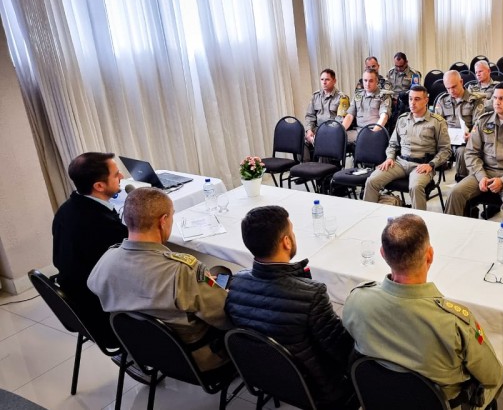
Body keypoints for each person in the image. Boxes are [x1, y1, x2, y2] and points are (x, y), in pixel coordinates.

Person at [342, 214, 503, 409]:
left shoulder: (356, 301)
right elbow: (493, 377)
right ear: (430, 256)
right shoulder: (455, 324)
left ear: (383, 254)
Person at [225, 206, 358, 410]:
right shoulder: (312, 294)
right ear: (286, 242)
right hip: (320, 389)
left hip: (266, 378)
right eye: (292, 232)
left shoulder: (235, 283)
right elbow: (342, 351)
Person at [88, 187, 231, 371]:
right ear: (163, 221)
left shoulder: (107, 259)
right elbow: (224, 316)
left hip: (142, 350)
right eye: (172, 216)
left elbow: (94, 286)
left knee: (217, 273)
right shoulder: (183, 271)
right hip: (195, 358)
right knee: (225, 280)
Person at [52, 152, 128, 346]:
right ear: (99, 186)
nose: (122, 178)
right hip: (102, 314)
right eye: (116, 174)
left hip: (77, 304)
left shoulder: (65, 210)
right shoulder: (103, 225)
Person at [445, 81, 503, 225]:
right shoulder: (483, 120)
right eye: (494, 98)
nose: (497, 102)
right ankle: (454, 233)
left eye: (502, 98)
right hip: (485, 172)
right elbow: (471, 153)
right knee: (455, 193)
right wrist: (481, 176)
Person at [363, 85, 451, 210]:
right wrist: (389, 158)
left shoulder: (437, 122)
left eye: (417, 99)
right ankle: (369, 216)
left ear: (426, 100)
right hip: (400, 162)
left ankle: (416, 223)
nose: (412, 103)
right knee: (372, 181)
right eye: (410, 99)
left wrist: (431, 165)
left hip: (422, 165)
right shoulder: (402, 119)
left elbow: (446, 150)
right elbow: (393, 144)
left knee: (415, 187)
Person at [434, 70, 485, 180]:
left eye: (454, 86)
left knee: (462, 151)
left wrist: (472, 134)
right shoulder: (442, 100)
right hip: (446, 139)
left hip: (466, 140)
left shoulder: (475, 100)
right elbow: (437, 122)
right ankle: (424, 181)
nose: (451, 91)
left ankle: (461, 179)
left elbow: (479, 123)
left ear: (461, 82)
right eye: (448, 88)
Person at [343, 69, 393, 143]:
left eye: (371, 81)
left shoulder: (383, 96)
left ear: (377, 81)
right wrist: (341, 130)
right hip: (358, 131)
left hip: (375, 131)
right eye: (365, 80)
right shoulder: (358, 95)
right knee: (339, 137)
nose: (367, 83)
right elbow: (350, 116)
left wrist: (372, 133)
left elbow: (384, 117)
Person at [304, 69, 348, 145]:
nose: (324, 82)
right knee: (301, 143)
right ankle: (307, 158)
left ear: (334, 81)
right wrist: (309, 130)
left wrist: (325, 133)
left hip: (332, 132)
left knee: (325, 145)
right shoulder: (315, 96)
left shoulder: (342, 98)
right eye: (322, 79)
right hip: (316, 130)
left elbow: (340, 120)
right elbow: (310, 116)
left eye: (327, 79)